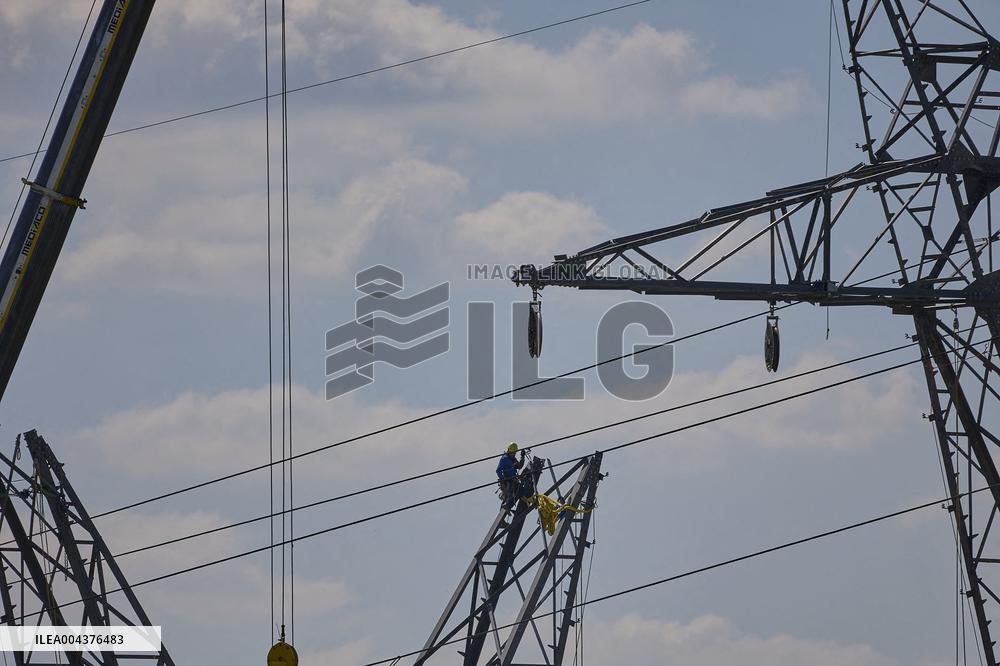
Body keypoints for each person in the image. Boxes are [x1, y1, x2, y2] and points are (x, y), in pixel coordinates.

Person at [496, 442, 525, 506]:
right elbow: (498, 471)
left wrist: (522, 456)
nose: (513, 454)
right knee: (513, 494)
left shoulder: (512, 459)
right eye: (512, 453)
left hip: (513, 480)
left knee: (521, 491)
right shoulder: (504, 459)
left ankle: (508, 505)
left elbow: (519, 466)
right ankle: (506, 506)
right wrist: (503, 480)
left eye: (514, 453)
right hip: (507, 481)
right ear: (509, 451)